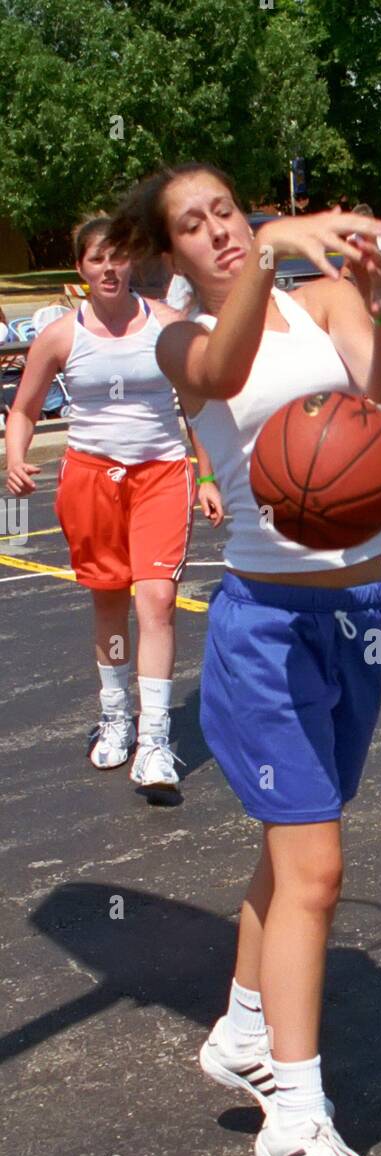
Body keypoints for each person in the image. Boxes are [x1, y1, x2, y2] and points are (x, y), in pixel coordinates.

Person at [109, 162, 381, 1156]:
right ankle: (296, 1119)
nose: (218, 233)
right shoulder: (179, 339)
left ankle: (242, 1028)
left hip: (360, 608)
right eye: (193, 228)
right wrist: (278, 241)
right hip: (267, 625)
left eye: (225, 212)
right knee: (316, 863)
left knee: (289, 847)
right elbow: (230, 361)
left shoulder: (320, 299)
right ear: (170, 255)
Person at [4, 216, 197, 801]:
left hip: (161, 473)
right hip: (91, 478)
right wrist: (13, 457)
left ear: (132, 260)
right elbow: (24, 408)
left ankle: (156, 743)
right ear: (81, 268)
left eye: (117, 257)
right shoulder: (62, 336)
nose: (109, 268)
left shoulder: (166, 324)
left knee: (157, 599)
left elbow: (198, 404)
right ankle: (117, 719)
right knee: (110, 602)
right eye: (96, 259)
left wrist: (209, 474)